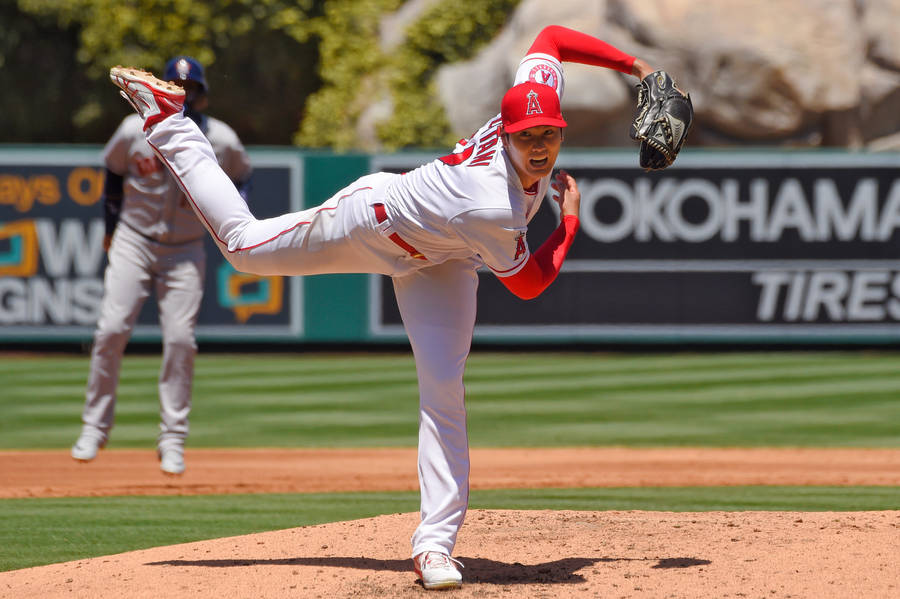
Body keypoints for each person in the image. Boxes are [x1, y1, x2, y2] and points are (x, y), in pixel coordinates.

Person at [109, 25, 662, 588]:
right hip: (376, 222)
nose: (540, 146)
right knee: (244, 248)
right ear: (509, 134)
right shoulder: (491, 202)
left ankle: (435, 549)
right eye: (527, 137)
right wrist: (568, 220)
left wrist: (639, 67)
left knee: (444, 388)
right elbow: (528, 284)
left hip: (445, 258)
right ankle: (169, 120)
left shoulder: (530, 103)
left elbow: (551, 39)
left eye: (550, 132)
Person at [71, 56, 253, 476]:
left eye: (191, 89)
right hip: (134, 239)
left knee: (180, 340)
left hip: (186, 247)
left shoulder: (221, 139)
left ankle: (172, 440)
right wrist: (111, 227)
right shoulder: (133, 129)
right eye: (175, 85)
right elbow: (113, 173)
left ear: (203, 94)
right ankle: (94, 429)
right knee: (111, 329)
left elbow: (243, 176)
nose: (183, 94)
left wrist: (234, 213)